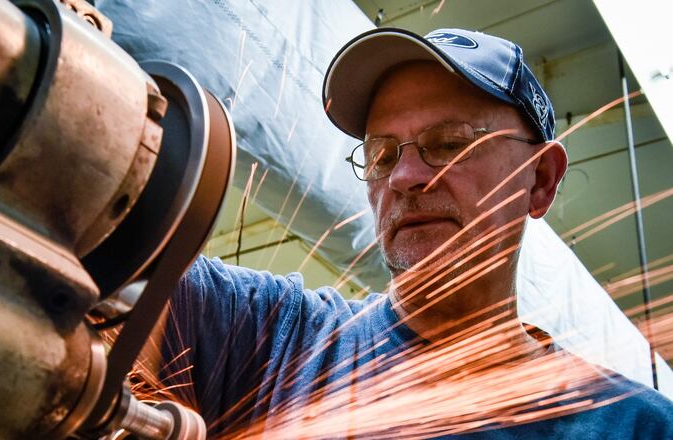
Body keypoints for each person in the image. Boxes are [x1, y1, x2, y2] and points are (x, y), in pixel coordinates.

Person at [154, 28, 673, 438]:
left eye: (448, 143)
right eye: (382, 154)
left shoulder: (635, 426)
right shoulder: (267, 341)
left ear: (539, 181)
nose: (404, 177)